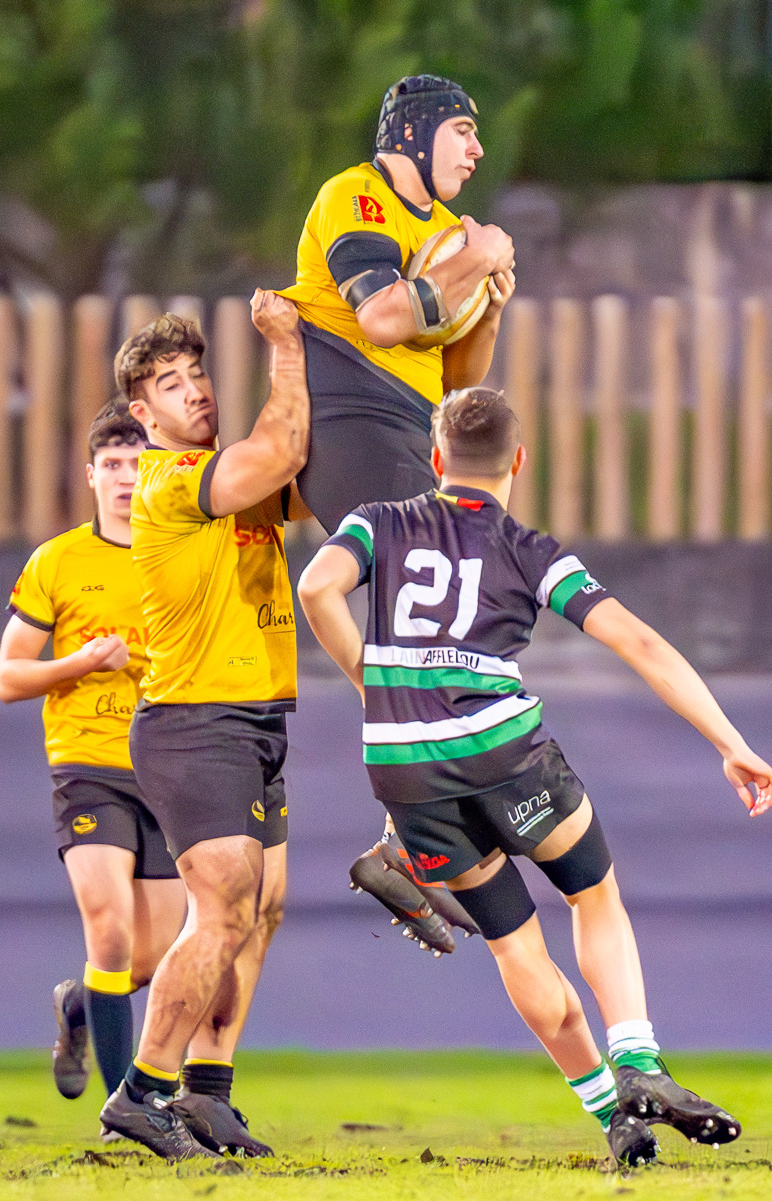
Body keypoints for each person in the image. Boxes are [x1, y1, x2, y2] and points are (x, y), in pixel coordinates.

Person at [296, 388, 772, 1166]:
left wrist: (372, 682)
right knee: (593, 893)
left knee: (515, 946)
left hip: (403, 770)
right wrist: (730, 741)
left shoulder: (377, 523)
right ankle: (639, 1064)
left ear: (435, 460)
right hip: (503, 754)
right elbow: (640, 643)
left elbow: (316, 587)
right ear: (519, 461)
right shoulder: (529, 548)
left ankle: (609, 1115)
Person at [277, 73, 519, 953]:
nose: (476, 150)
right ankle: (413, 837)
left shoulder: (453, 235)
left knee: (456, 632)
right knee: (441, 634)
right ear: (413, 136)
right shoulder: (358, 196)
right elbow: (381, 317)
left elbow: (462, 378)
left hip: (413, 430)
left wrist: (488, 293)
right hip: (349, 414)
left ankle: (404, 845)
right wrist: (457, 268)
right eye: (462, 129)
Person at [95, 294, 309, 1161]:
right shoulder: (172, 481)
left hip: (253, 716)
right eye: (172, 386)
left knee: (262, 909)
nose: (196, 393)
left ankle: (206, 1092)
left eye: (198, 377)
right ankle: (141, 1093)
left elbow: (306, 464)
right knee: (221, 909)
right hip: (193, 719)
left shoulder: (229, 471)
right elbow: (286, 446)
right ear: (142, 416)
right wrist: (289, 344)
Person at [0, 405, 186, 1118]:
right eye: (111, 465)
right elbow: (7, 677)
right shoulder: (58, 560)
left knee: (153, 958)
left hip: (164, 768)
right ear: (91, 475)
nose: (124, 478)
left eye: (137, 464)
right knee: (106, 929)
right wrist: (79, 660)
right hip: (86, 765)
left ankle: (77, 1006)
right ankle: (124, 1113)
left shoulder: (177, 555)